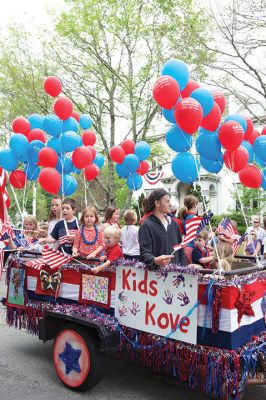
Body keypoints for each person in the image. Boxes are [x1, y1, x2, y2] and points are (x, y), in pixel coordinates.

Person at [139, 188, 186, 267]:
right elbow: (144, 254)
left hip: (176, 275)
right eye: (167, 201)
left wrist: (184, 270)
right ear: (157, 203)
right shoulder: (146, 225)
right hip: (156, 276)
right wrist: (155, 260)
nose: (170, 204)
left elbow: (180, 251)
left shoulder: (174, 224)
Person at [180, 195, 199, 263]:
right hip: (191, 247)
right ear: (194, 205)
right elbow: (199, 235)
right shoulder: (194, 218)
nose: (197, 207)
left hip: (185, 246)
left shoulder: (185, 217)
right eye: (197, 205)